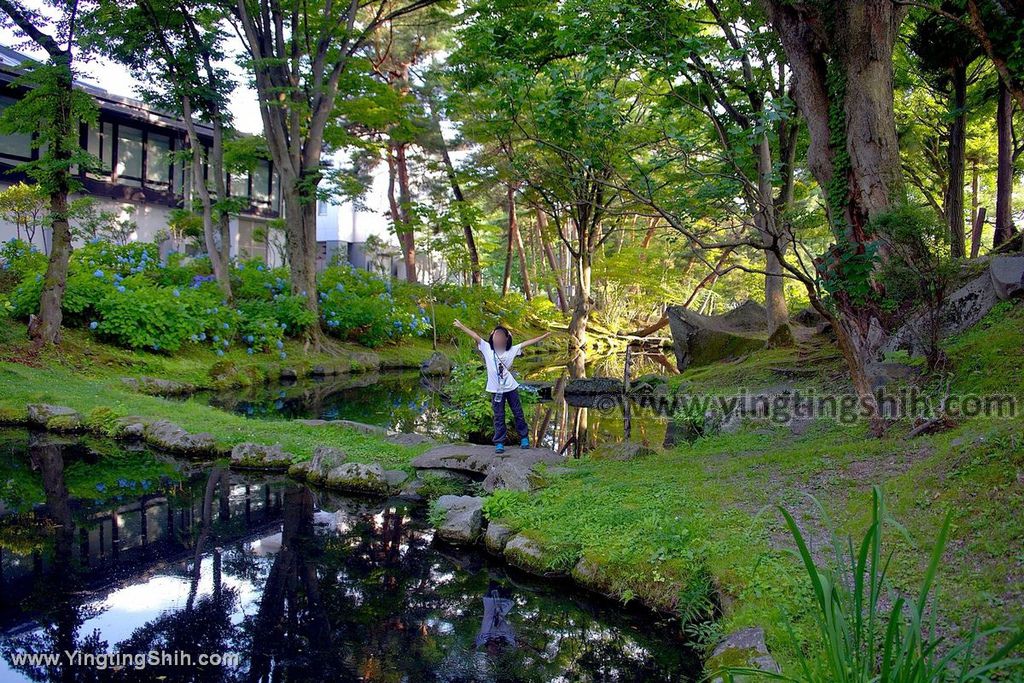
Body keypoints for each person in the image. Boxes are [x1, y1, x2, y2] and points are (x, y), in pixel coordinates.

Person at [453, 320, 551, 453]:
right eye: (495, 336)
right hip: (495, 389)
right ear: (492, 338)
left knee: (518, 413)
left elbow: (528, 343)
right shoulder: (487, 348)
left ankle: (524, 438)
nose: (497, 338)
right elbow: (475, 335)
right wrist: (461, 326)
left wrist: (543, 337)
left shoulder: (512, 350)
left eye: (500, 336)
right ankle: (499, 442)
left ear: (506, 338)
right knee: (499, 416)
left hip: (511, 388)